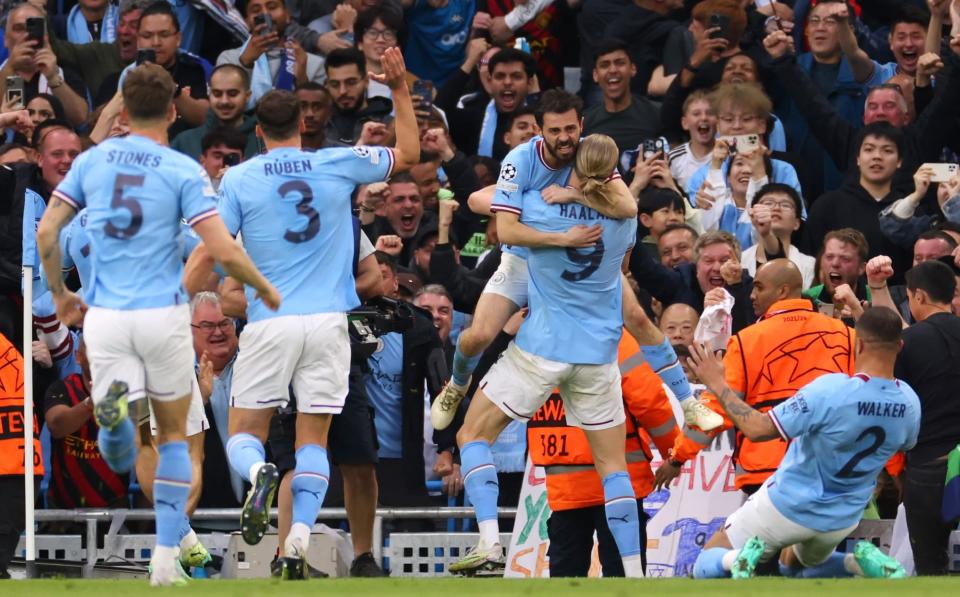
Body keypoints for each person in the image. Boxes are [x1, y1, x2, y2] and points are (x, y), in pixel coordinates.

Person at [35, 63, 279, 586]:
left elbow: (47, 232)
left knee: (135, 443)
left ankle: (117, 429)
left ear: (120, 109)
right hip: (162, 319)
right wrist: (260, 285)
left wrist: (60, 295)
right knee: (175, 442)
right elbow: (218, 248)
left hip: (103, 321)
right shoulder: (181, 170)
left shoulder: (92, 163)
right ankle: (166, 560)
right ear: (172, 111)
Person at [217, 47, 418, 580]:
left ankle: (259, 474)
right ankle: (297, 544)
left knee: (245, 434)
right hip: (330, 325)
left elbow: (217, 247)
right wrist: (398, 88)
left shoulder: (238, 180)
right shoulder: (337, 163)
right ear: (303, 126)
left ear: (258, 130)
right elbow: (411, 152)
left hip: (270, 321)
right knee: (315, 444)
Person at [449, 130, 643, 577]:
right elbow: (627, 258)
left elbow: (480, 205)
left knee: (472, 436)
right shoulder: (626, 220)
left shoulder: (538, 205)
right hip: (596, 355)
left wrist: (521, 194)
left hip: (541, 347)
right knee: (613, 467)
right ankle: (634, 574)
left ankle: (490, 544)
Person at [431, 94, 641, 434]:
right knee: (477, 336)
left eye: (571, 128)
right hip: (523, 261)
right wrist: (560, 234)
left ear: (582, 126)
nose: (564, 138)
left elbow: (628, 207)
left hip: (569, 271)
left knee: (636, 319)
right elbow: (502, 224)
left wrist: (572, 197)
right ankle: (456, 385)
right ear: (540, 131)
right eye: (555, 130)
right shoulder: (522, 159)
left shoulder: (592, 152)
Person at [688, 306, 918, 579]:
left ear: (858, 344)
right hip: (844, 515)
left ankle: (736, 558)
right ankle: (856, 563)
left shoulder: (831, 390)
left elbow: (758, 429)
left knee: (704, 563)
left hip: (788, 503)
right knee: (792, 567)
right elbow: (905, 445)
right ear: (900, 346)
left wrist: (717, 383)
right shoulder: (909, 402)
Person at [660, 260, 856, 498]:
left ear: (782, 291)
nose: (751, 295)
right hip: (832, 470)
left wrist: (677, 457)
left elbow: (714, 410)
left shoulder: (746, 341)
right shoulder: (846, 336)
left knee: (746, 536)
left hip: (768, 474)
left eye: (759, 287)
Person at [532, 325, 680, 577]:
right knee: (622, 576)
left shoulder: (538, 335)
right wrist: (674, 451)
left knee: (565, 579)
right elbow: (649, 401)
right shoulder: (615, 338)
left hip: (564, 483)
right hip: (618, 480)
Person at [894, 259, 960, 575]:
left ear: (919, 296)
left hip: (930, 464)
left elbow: (896, 403)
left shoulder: (909, 342)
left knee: (930, 565)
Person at [803, 122, 912, 276]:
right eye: (869, 149)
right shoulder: (827, 206)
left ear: (899, 161)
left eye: (887, 150)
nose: (877, 157)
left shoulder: (910, 210)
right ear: (858, 158)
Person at [216, 0, 325, 103]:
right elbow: (226, 104)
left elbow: (315, 113)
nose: (265, 14)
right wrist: (245, 64)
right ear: (247, 21)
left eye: (272, 7)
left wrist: (302, 80)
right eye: (256, 10)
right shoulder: (228, 60)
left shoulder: (313, 63)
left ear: (287, 16)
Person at [0, 2, 90, 126]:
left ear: (46, 38)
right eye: (19, 29)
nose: (26, 35)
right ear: (5, 38)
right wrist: (10, 69)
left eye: (33, 29)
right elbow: (10, 120)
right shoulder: (5, 74)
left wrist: (52, 78)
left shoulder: (65, 74)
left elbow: (80, 119)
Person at [0, 330, 42, 580]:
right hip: (19, 467)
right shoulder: (13, 349)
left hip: (16, 467)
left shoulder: (15, 345)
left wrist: (46, 367)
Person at [583, 38, 660, 156]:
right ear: (595, 75)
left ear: (633, 69)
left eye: (620, 63)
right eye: (605, 65)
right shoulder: (585, 122)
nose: (613, 70)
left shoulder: (656, 113)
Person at [171, 64, 260, 160]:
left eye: (232, 94)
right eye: (217, 94)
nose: (224, 101)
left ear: (247, 96)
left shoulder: (263, 141)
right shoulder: (185, 142)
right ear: (209, 95)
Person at [741, 183, 815, 289]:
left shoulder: (810, 265)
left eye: (785, 205)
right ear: (752, 214)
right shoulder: (740, 260)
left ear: (797, 223)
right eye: (768, 203)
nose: (776, 208)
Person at [323, 47, 392, 145]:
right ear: (327, 85)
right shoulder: (319, 123)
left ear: (366, 81)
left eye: (351, 82)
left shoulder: (387, 125)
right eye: (335, 84)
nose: (342, 91)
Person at [803, 228, 871, 314]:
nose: (835, 263)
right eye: (829, 257)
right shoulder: (807, 299)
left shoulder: (874, 299)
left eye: (845, 258)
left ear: (861, 268)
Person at [296, 82, 331, 149]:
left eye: (317, 107)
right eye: (302, 106)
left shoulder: (344, 154)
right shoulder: (275, 153)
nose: (309, 114)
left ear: (329, 112)